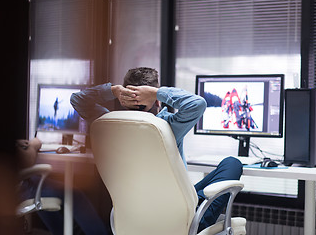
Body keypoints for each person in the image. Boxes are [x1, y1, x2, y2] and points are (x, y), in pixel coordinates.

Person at [70, 67, 243, 232]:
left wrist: (113, 90)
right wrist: (155, 93)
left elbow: (77, 99)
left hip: (133, 216)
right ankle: (199, 223)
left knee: (194, 190)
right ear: (156, 99)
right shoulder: (167, 125)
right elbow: (198, 104)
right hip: (178, 217)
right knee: (232, 163)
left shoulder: (108, 123)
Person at [16, 138, 109, 235]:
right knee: (74, 195)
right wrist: (34, 144)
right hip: (17, 190)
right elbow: (27, 160)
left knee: (44, 195)